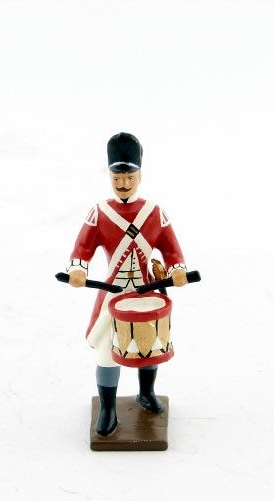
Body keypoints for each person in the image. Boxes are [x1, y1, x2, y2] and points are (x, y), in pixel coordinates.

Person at [67, 132, 188, 436]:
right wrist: (78, 269)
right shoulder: (99, 212)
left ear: (139, 176)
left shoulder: (155, 213)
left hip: (146, 293)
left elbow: (172, 249)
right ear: (110, 176)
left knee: (148, 345)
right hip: (113, 296)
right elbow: (82, 248)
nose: (123, 183)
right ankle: (108, 409)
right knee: (106, 352)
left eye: (129, 177)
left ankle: (146, 393)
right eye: (117, 177)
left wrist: (177, 270)